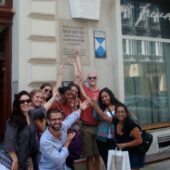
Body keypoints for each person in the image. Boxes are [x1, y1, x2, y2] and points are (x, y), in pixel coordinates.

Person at [70, 50, 102, 170]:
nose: (92, 79)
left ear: (97, 79)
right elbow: (79, 75)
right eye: (90, 78)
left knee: (98, 155)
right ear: (88, 80)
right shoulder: (84, 90)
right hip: (86, 127)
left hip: (99, 127)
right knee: (89, 156)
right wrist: (78, 57)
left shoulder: (102, 93)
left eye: (94, 77)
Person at [90, 101, 145, 170]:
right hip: (124, 152)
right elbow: (104, 117)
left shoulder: (130, 124)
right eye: (118, 112)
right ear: (115, 113)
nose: (120, 114)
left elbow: (139, 140)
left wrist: (124, 145)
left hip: (134, 153)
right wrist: (95, 106)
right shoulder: (115, 120)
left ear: (126, 113)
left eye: (122, 112)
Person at [39, 100, 89, 170]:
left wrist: (80, 109)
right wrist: (67, 142)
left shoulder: (63, 126)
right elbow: (59, 160)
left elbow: (72, 117)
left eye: (59, 119)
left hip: (62, 167)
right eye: (54, 119)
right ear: (48, 121)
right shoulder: (45, 141)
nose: (57, 122)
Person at [4, 91, 38, 170]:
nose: (26, 103)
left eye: (28, 101)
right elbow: (9, 142)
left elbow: (43, 109)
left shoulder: (31, 115)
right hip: (20, 158)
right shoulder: (13, 120)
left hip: (31, 158)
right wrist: (15, 160)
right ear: (17, 104)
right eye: (22, 101)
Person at [95, 87, 121, 167]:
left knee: (115, 162)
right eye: (102, 97)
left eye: (106, 96)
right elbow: (96, 118)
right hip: (102, 138)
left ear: (110, 95)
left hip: (115, 139)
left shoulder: (118, 106)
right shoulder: (101, 107)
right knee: (107, 161)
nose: (104, 98)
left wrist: (96, 106)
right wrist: (97, 106)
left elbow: (116, 120)